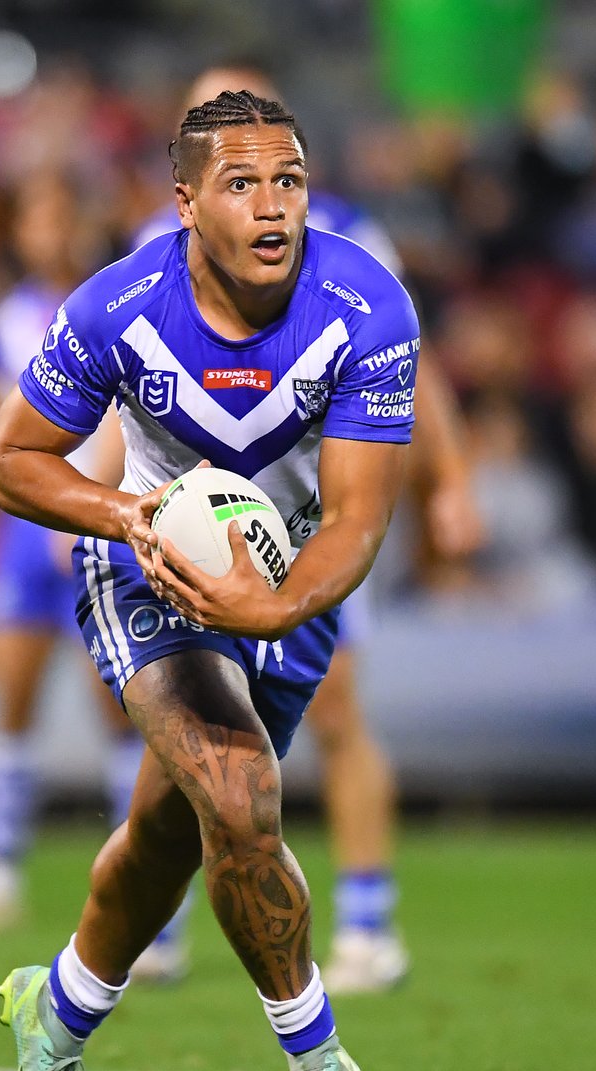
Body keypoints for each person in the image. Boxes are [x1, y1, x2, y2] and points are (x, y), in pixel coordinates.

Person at [0, 90, 419, 1071]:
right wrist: (127, 515)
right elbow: (10, 461)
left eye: (290, 181)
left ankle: (59, 1013)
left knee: (172, 837)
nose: (273, 206)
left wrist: (273, 605)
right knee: (239, 793)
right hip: (150, 574)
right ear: (184, 202)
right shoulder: (115, 308)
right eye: (241, 184)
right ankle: (317, 1063)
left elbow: (359, 517)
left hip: (289, 582)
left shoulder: (367, 309)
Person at [127, 63, 484, 992]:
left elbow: (414, 369)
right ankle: (155, 920)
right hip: (194, 518)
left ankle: (368, 916)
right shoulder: (151, 246)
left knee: (337, 710)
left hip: (310, 519)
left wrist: (449, 479)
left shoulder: (349, 244)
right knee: (186, 725)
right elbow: (118, 395)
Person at [0, 173, 145, 939]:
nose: (48, 235)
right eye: (36, 220)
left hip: (98, 522)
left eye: (61, 218)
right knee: (10, 698)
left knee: (122, 708)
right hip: (24, 535)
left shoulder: (120, 305)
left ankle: (145, 886)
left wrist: (83, 501)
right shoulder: (14, 315)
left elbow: (129, 412)